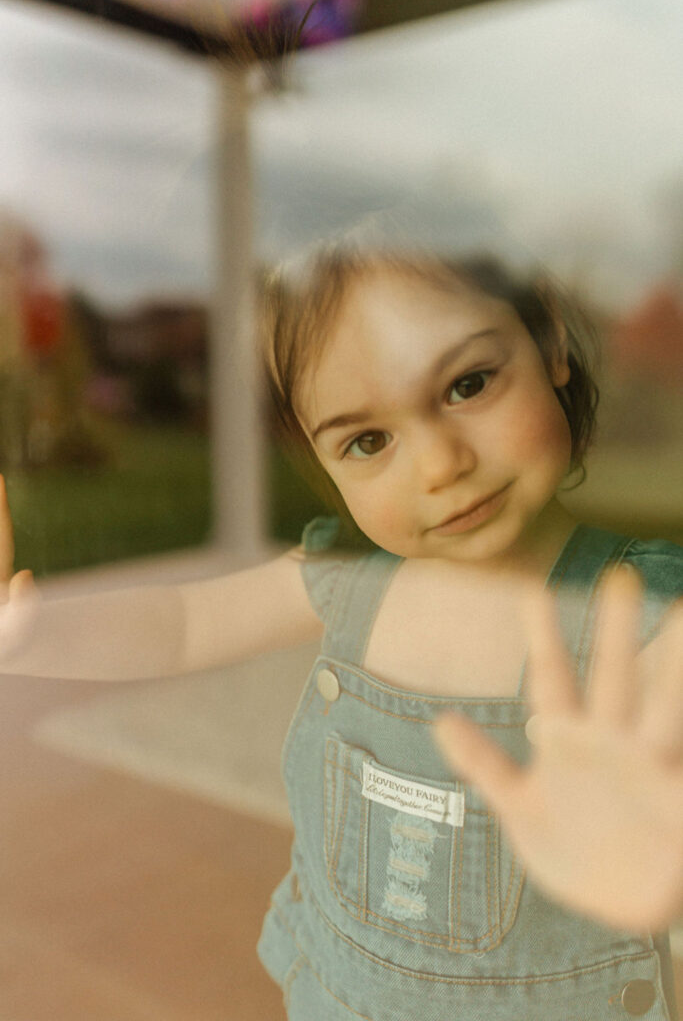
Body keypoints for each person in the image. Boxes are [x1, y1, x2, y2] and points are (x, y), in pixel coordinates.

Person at [0, 248, 681, 1020]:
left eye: (467, 385)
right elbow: (179, 626)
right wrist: (29, 637)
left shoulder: (643, 613)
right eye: (367, 441)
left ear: (550, 343)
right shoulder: (351, 574)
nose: (438, 464)